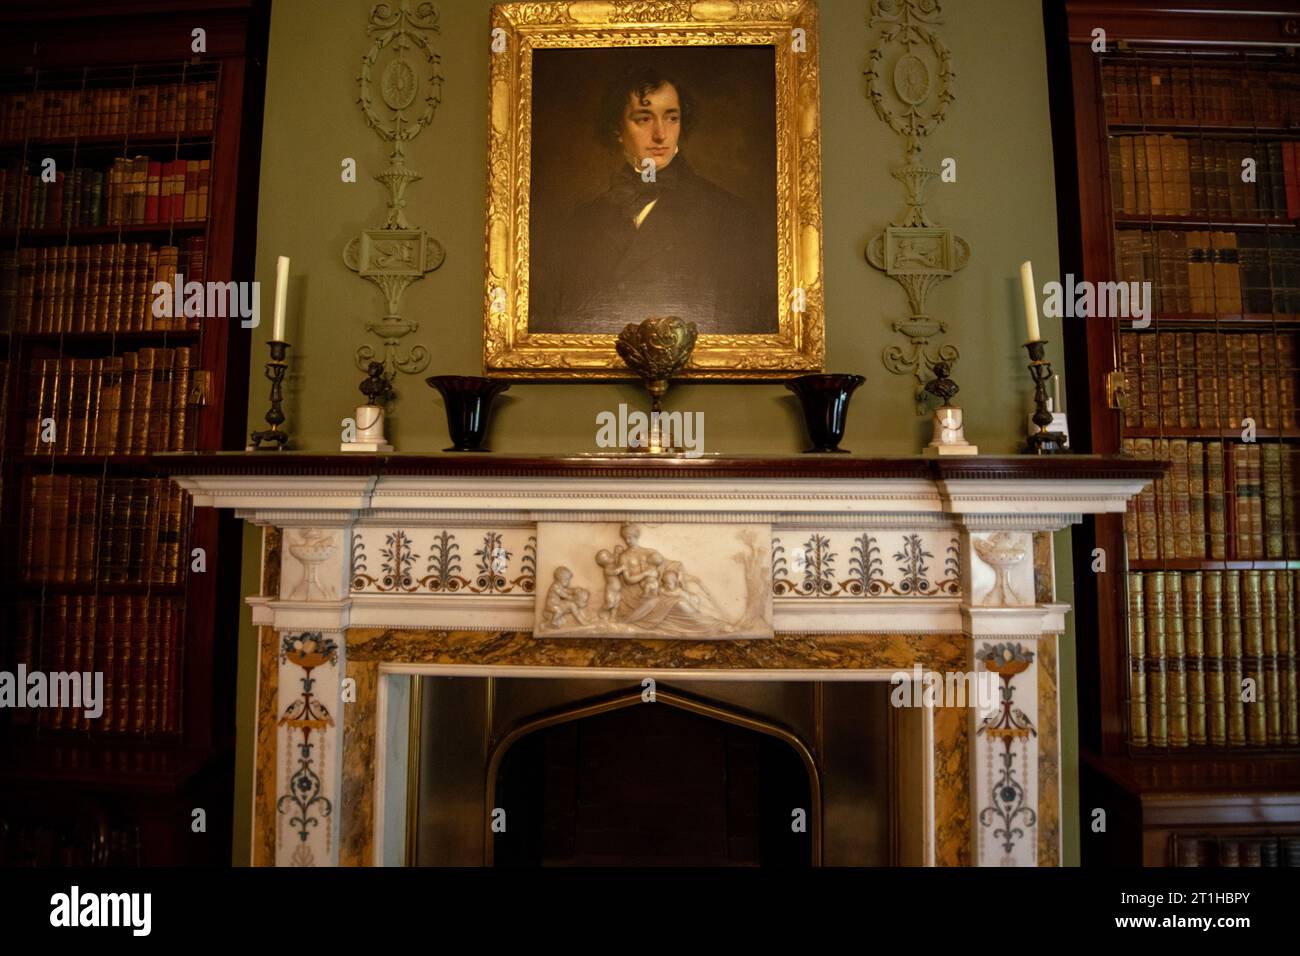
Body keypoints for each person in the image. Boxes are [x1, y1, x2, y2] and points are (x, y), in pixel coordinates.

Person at [531, 67, 777, 335]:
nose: (661, 134)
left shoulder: (731, 216)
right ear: (616, 128)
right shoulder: (585, 219)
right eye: (644, 119)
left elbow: (740, 328)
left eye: (672, 118)